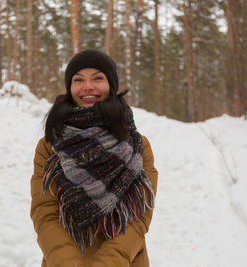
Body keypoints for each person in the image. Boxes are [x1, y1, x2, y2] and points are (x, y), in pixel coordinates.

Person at [30, 49, 158, 267]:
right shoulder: (50, 146)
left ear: (111, 86)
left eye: (97, 78)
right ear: (70, 88)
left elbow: (138, 219)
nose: (87, 87)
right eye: (78, 80)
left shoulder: (138, 146)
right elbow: (44, 214)